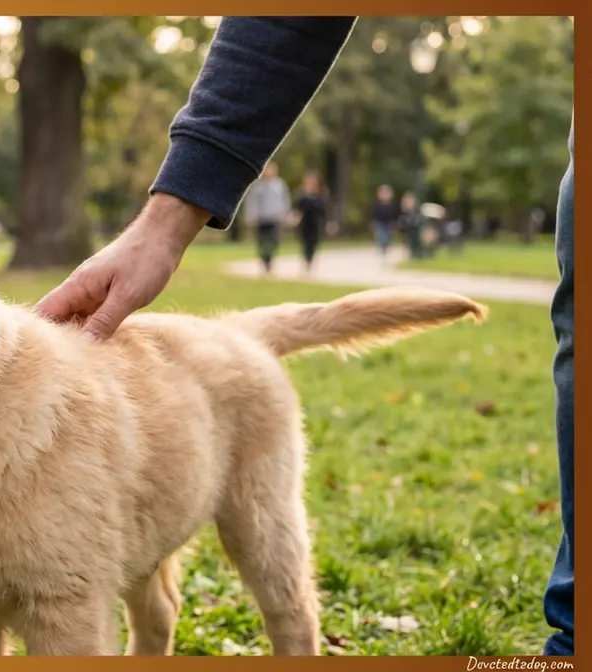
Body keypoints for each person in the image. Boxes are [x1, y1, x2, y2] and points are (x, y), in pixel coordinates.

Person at [34, 16, 574, 657]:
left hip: (236, 378)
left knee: (274, 570)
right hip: (216, 367)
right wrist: (166, 221)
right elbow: (285, 20)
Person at [241, 161, 291, 275]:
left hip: (275, 218)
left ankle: (271, 261)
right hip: (261, 219)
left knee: (274, 241)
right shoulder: (257, 186)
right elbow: (252, 203)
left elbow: (285, 202)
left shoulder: (279, 185)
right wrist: (250, 218)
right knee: (262, 242)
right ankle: (264, 262)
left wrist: (285, 216)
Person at [292, 170, 329, 276]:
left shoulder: (321, 196)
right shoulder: (301, 196)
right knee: (305, 245)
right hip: (304, 224)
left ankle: (310, 264)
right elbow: (298, 210)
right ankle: (306, 265)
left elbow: (323, 212)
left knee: (313, 245)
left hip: (316, 224)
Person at [370, 184, 400, 263]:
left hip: (389, 224)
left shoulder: (393, 206)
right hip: (380, 224)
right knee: (381, 235)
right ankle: (381, 246)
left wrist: (395, 227)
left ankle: (386, 246)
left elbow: (395, 217)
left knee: (387, 237)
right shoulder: (377, 206)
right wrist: (374, 226)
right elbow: (374, 216)